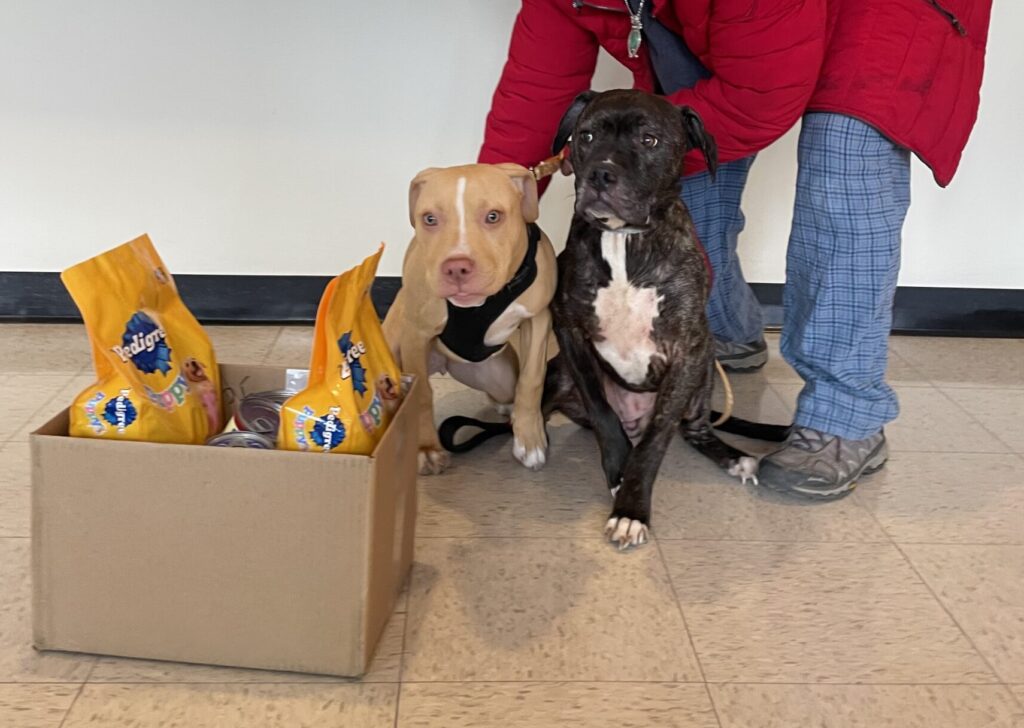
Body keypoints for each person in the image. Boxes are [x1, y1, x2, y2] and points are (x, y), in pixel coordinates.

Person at [478, 0, 993, 499]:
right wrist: (479, 237)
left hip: (883, 11)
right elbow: (535, 94)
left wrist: (649, 156)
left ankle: (845, 413)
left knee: (845, 160)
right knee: (681, 189)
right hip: (732, 22)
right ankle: (721, 334)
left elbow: (759, 97)